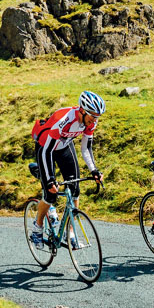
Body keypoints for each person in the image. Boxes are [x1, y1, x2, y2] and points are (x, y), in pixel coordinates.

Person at [31, 91, 105, 246]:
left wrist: (94, 170)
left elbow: (86, 148)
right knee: (50, 194)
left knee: (75, 190)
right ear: (83, 111)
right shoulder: (64, 119)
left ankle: (69, 232)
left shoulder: (92, 121)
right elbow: (47, 151)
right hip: (46, 147)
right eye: (92, 116)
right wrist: (50, 180)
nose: (94, 121)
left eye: (97, 117)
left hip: (64, 147)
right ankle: (37, 228)